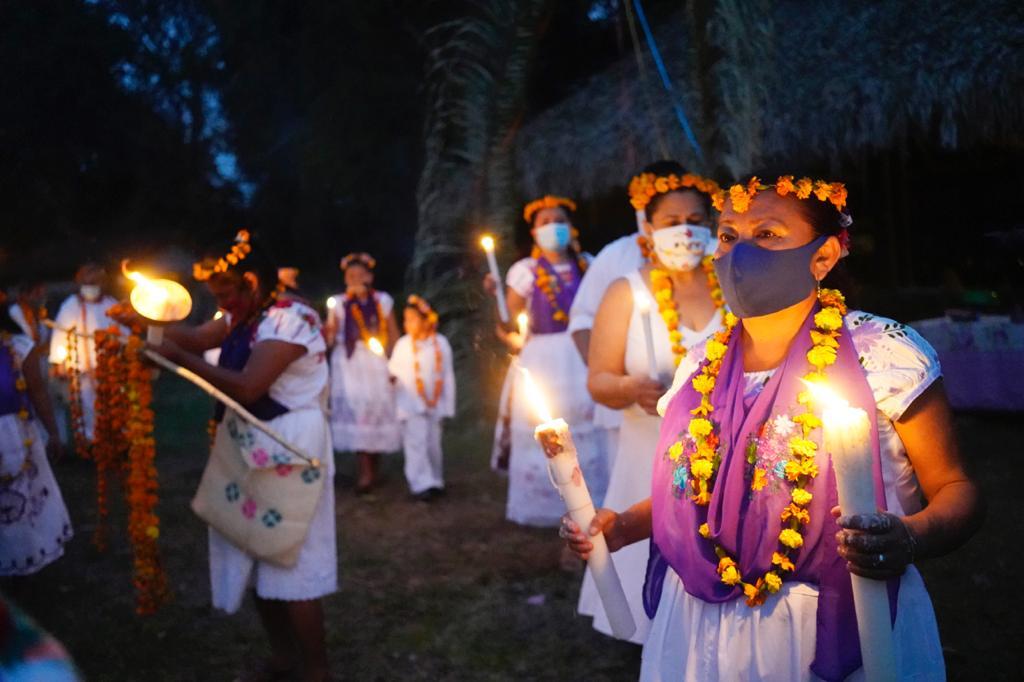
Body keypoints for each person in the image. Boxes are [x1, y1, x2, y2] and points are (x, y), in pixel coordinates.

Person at [562, 176, 983, 681]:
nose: (740, 253)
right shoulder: (700, 364)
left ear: (823, 256)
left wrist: (909, 537)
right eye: (728, 235)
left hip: (835, 613)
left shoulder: (883, 354)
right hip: (701, 627)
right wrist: (623, 527)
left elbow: (955, 488)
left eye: (766, 234)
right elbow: (704, 491)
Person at [152, 230, 336, 682]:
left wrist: (175, 357)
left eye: (225, 294)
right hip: (249, 442)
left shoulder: (292, 318)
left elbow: (250, 386)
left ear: (251, 282)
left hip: (291, 445)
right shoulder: (245, 313)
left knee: (291, 558)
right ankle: (284, 656)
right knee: (252, 549)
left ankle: (317, 670)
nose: (221, 305)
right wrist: (147, 323)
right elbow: (198, 337)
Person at [578, 162, 725, 644]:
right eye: (671, 221)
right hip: (649, 452)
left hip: (725, 451)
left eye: (696, 220)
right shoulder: (626, 290)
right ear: (649, 228)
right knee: (652, 581)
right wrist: (630, 388)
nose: (685, 230)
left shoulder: (733, 282)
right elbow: (598, 379)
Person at [501, 195, 608, 526]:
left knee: (586, 423)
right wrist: (509, 329)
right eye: (545, 222)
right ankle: (544, 504)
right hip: (543, 356)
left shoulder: (587, 264)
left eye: (559, 220)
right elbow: (508, 317)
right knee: (546, 420)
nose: (553, 227)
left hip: (583, 352)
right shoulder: (525, 270)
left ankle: (593, 498)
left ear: (571, 227)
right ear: (534, 232)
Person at [0, 306, 71, 576]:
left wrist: (54, 433)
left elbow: (39, 393)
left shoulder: (17, 347)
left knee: (23, 503)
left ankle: (28, 559)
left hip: (18, 438)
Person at [324, 253, 401, 493]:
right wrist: (329, 330)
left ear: (369, 277)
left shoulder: (382, 300)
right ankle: (365, 473)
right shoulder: (338, 303)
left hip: (375, 361)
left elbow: (393, 333)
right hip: (349, 363)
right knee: (359, 413)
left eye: (359, 275)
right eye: (350, 276)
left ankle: (374, 468)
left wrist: (396, 363)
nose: (355, 280)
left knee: (375, 410)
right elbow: (329, 339)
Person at [388, 295, 455, 501]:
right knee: (415, 444)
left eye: (412, 319)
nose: (407, 324)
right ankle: (420, 484)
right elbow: (394, 371)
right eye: (405, 320)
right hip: (410, 404)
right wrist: (391, 379)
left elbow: (447, 375)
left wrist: (447, 405)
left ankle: (435, 480)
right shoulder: (403, 345)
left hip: (434, 403)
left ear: (427, 321)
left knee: (433, 444)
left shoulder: (440, 344)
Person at [47, 263, 123, 443]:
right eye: (87, 283)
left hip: (111, 369)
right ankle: (91, 444)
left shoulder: (112, 305)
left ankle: (118, 443)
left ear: (103, 283)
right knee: (88, 410)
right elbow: (60, 333)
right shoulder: (70, 305)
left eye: (95, 282)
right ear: (80, 283)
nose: (91, 287)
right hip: (82, 371)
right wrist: (59, 363)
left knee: (116, 407)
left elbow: (124, 334)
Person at [7, 281, 49, 346]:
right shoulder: (15, 310)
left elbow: (45, 337)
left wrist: (41, 320)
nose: (41, 298)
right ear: (25, 295)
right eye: (37, 293)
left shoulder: (36, 311)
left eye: (43, 294)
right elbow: (33, 339)